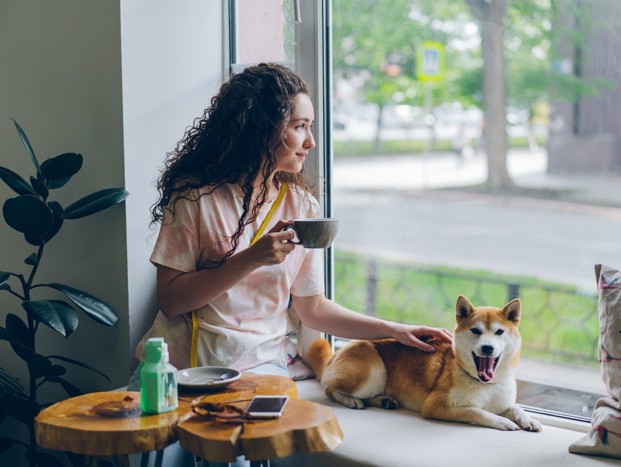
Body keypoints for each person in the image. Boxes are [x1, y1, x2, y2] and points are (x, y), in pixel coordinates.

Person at [135, 63, 451, 378]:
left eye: (310, 126)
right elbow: (172, 300)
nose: (311, 141)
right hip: (186, 371)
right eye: (300, 126)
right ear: (261, 128)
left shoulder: (301, 206)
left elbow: (312, 309)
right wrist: (251, 258)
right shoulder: (196, 199)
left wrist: (394, 330)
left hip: (261, 367)